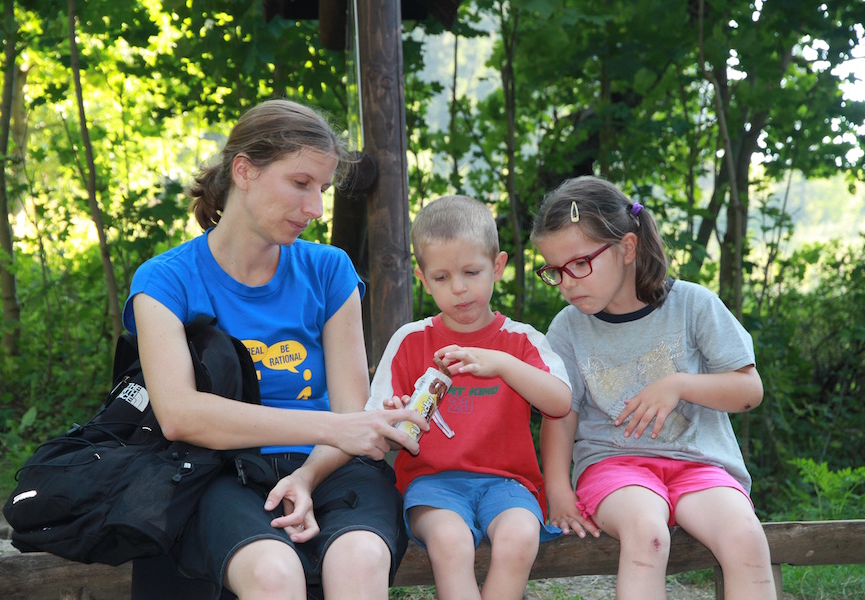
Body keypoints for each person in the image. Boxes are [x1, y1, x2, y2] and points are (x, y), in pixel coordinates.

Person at [124, 98, 428, 600]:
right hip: (222, 471)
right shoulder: (164, 281)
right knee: (274, 573)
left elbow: (351, 413)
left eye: (322, 190)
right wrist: (334, 426)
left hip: (331, 466)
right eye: (300, 183)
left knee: (361, 558)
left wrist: (307, 475)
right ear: (244, 171)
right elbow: (179, 415)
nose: (316, 209)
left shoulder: (329, 270)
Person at [531, 176, 776, 600]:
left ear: (627, 248)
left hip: (700, 465)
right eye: (555, 271)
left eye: (579, 264)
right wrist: (557, 489)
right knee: (648, 533)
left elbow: (748, 390)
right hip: (613, 467)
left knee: (746, 538)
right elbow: (562, 414)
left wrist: (679, 384)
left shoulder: (694, 305)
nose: (567, 282)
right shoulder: (568, 328)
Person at [365, 195, 573, 600]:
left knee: (520, 537)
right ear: (423, 280)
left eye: (471, 272)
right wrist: (393, 421)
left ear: (498, 266)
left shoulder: (522, 340)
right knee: (451, 541)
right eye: (442, 278)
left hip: (509, 484)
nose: (459, 288)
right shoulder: (410, 340)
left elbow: (559, 403)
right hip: (431, 485)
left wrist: (503, 364)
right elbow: (375, 429)